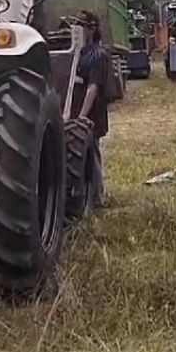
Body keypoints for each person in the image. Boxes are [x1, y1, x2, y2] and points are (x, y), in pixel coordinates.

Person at [73, 11, 111, 208]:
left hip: (91, 114)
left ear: (91, 29)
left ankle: (98, 197)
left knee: (91, 152)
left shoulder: (98, 55)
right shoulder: (78, 53)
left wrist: (81, 116)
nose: (75, 29)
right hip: (76, 112)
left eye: (81, 25)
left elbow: (93, 87)